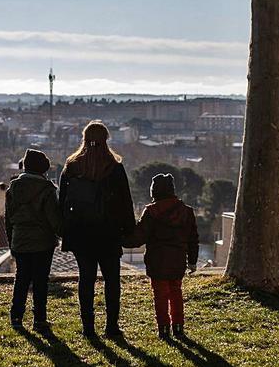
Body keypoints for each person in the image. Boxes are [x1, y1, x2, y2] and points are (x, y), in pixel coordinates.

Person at [60, 121, 135, 338]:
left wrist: (65, 230)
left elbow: (63, 201)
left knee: (86, 279)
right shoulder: (114, 167)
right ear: (106, 139)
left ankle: (88, 327)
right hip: (109, 232)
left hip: (81, 233)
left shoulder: (72, 166)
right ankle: (111, 326)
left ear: (84, 139)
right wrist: (128, 230)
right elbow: (125, 202)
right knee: (112, 280)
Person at [134, 173, 199, 340]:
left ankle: (163, 328)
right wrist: (192, 261)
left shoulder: (151, 212)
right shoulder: (187, 212)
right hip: (178, 261)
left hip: (157, 261)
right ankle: (178, 326)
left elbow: (139, 237)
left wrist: (120, 237)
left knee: (160, 295)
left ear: (154, 191)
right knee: (176, 292)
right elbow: (193, 239)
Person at [5, 149, 62, 333]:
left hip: (20, 240)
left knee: (21, 279)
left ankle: (16, 316)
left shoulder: (13, 189)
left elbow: (8, 219)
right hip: (42, 242)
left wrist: (12, 242)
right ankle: (39, 319)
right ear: (43, 169)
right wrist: (64, 234)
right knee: (40, 282)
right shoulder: (47, 190)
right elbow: (53, 219)